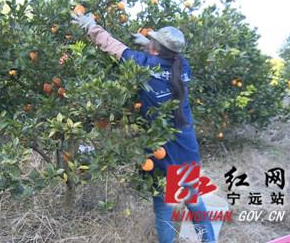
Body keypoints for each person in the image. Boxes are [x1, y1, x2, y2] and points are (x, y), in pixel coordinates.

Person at [72, 12, 215, 243]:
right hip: (187, 146)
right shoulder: (183, 66)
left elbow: (112, 46)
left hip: (162, 149)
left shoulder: (144, 64)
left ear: (156, 49)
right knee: (194, 201)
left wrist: (92, 27)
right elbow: (168, 59)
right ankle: (209, 241)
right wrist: (150, 44)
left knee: (164, 207)